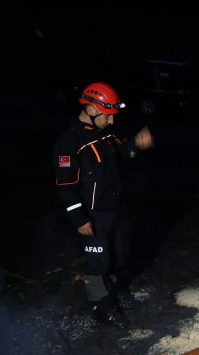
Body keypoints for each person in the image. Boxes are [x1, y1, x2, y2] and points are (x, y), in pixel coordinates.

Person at [53, 82, 154, 329]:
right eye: (108, 115)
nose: (111, 121)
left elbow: (123, 152)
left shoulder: (105, 133)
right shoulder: (69, 143)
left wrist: (137, 144)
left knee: (117, 256)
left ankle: (110, 291)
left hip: (113, 209)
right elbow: (66, 187)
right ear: (91, 110)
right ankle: (101, 309)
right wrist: (80, 219)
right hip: (91, 214)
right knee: (97, 264)